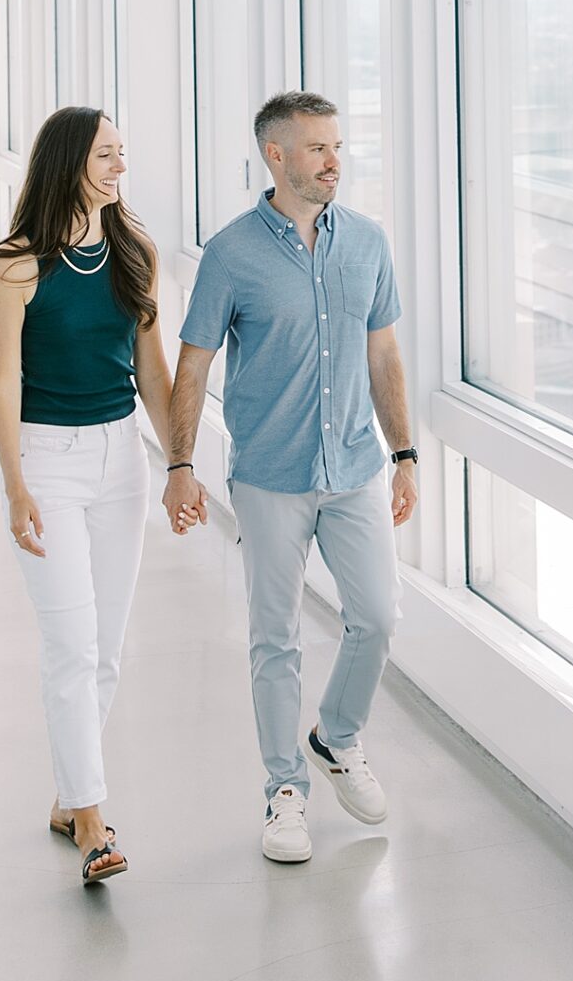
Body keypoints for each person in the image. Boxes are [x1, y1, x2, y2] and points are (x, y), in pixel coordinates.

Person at [164, 90, 417, 863]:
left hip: (354, 471)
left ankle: (335, 737)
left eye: (337, 146)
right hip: (269, 477)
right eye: (317, 148)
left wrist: (405, 455)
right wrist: (180, 465)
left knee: (376, 616)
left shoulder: (368, 243)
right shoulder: (231, 253)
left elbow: (382, 356)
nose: (334, 160)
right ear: (275, 156)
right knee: (274, 640)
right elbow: (194, 365)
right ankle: (284, 794)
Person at [0, 107, 194, 886]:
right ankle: (94, 823)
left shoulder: (130, 250)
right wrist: (14, 486)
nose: (119, 167)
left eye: (122, 153)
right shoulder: (16, 264)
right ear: (69, 161)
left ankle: (71, 796)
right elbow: (4, 382)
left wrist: (179, 465)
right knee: (70, 647)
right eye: (106, 155)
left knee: (105, 649)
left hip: (120, 464)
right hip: (48, 462)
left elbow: (153, 372)